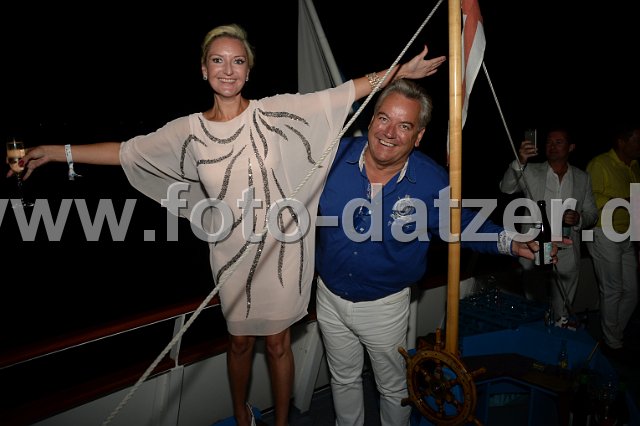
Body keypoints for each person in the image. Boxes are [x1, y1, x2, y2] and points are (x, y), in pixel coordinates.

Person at [10, 24, 446, 426]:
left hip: (283, 253)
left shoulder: (275, 111)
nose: (228, 69)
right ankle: (242, 416)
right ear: (204, 69)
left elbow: (344, 93)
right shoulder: (188, 131)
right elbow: (127, 151)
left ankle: (281, 423)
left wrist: (399, 72)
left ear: (248, 71)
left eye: (237, 61)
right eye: (218, 60)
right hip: (231, 255)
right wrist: (56, 152)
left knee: (278, 344)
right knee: (238, 343)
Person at [314, 79, 563, 426]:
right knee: (342, 379)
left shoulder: (431, 181)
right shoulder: (332, 156)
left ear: (418, 136)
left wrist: (510, 241)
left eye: (404, 126)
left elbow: (462, 223)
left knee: (393, 388)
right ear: (371, 120)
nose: (389, 133)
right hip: (328, 296)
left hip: (384, 307)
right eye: (384, 118)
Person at [499, 127, 598, 325]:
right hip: (534, 247)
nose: (552, 146)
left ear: (571, 147)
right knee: (534, 303)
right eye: (549, 142)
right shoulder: (531, 170)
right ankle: (538, 333)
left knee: (564, 305)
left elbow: (592, 213)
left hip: (567, 248)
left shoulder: (582, 177)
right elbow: (506, 188)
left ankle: (561, 332)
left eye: (558, 142)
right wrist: (520, 161)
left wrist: (578, 218)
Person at [586, 123, 640, 361]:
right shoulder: (600, 164)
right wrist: (625, 200)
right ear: (622, 142)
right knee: (612, 289)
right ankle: (613, 344)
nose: (639, 145)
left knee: (632, 292)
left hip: (626, 234)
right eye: (637, 140)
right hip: (603, 232)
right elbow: (590, 199)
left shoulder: (635, 166)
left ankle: (612, 336)